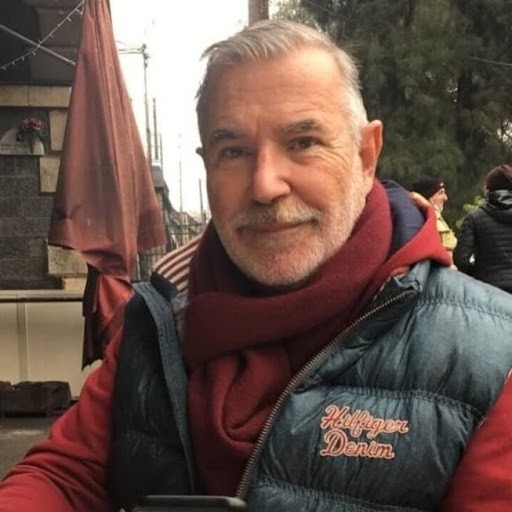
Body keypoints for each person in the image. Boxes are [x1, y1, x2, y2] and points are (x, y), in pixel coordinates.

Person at [2, 19, 512, 512]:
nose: (265, 185)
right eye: (234, 151)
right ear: (206, 165)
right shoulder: (160, 321)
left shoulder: (490, 357)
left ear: (365, 154)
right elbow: (64, 476)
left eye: (303, 143)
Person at [454, 164, 512, 292]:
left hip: (487, 289)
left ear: (488, 190)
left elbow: (461, 260)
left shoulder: (474, 217)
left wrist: (477, 276)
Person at [411, 176, 458, 263]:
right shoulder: (423, 220)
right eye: (440, 193)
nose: (445, 198)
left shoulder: (437, 218)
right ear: (428, 196)